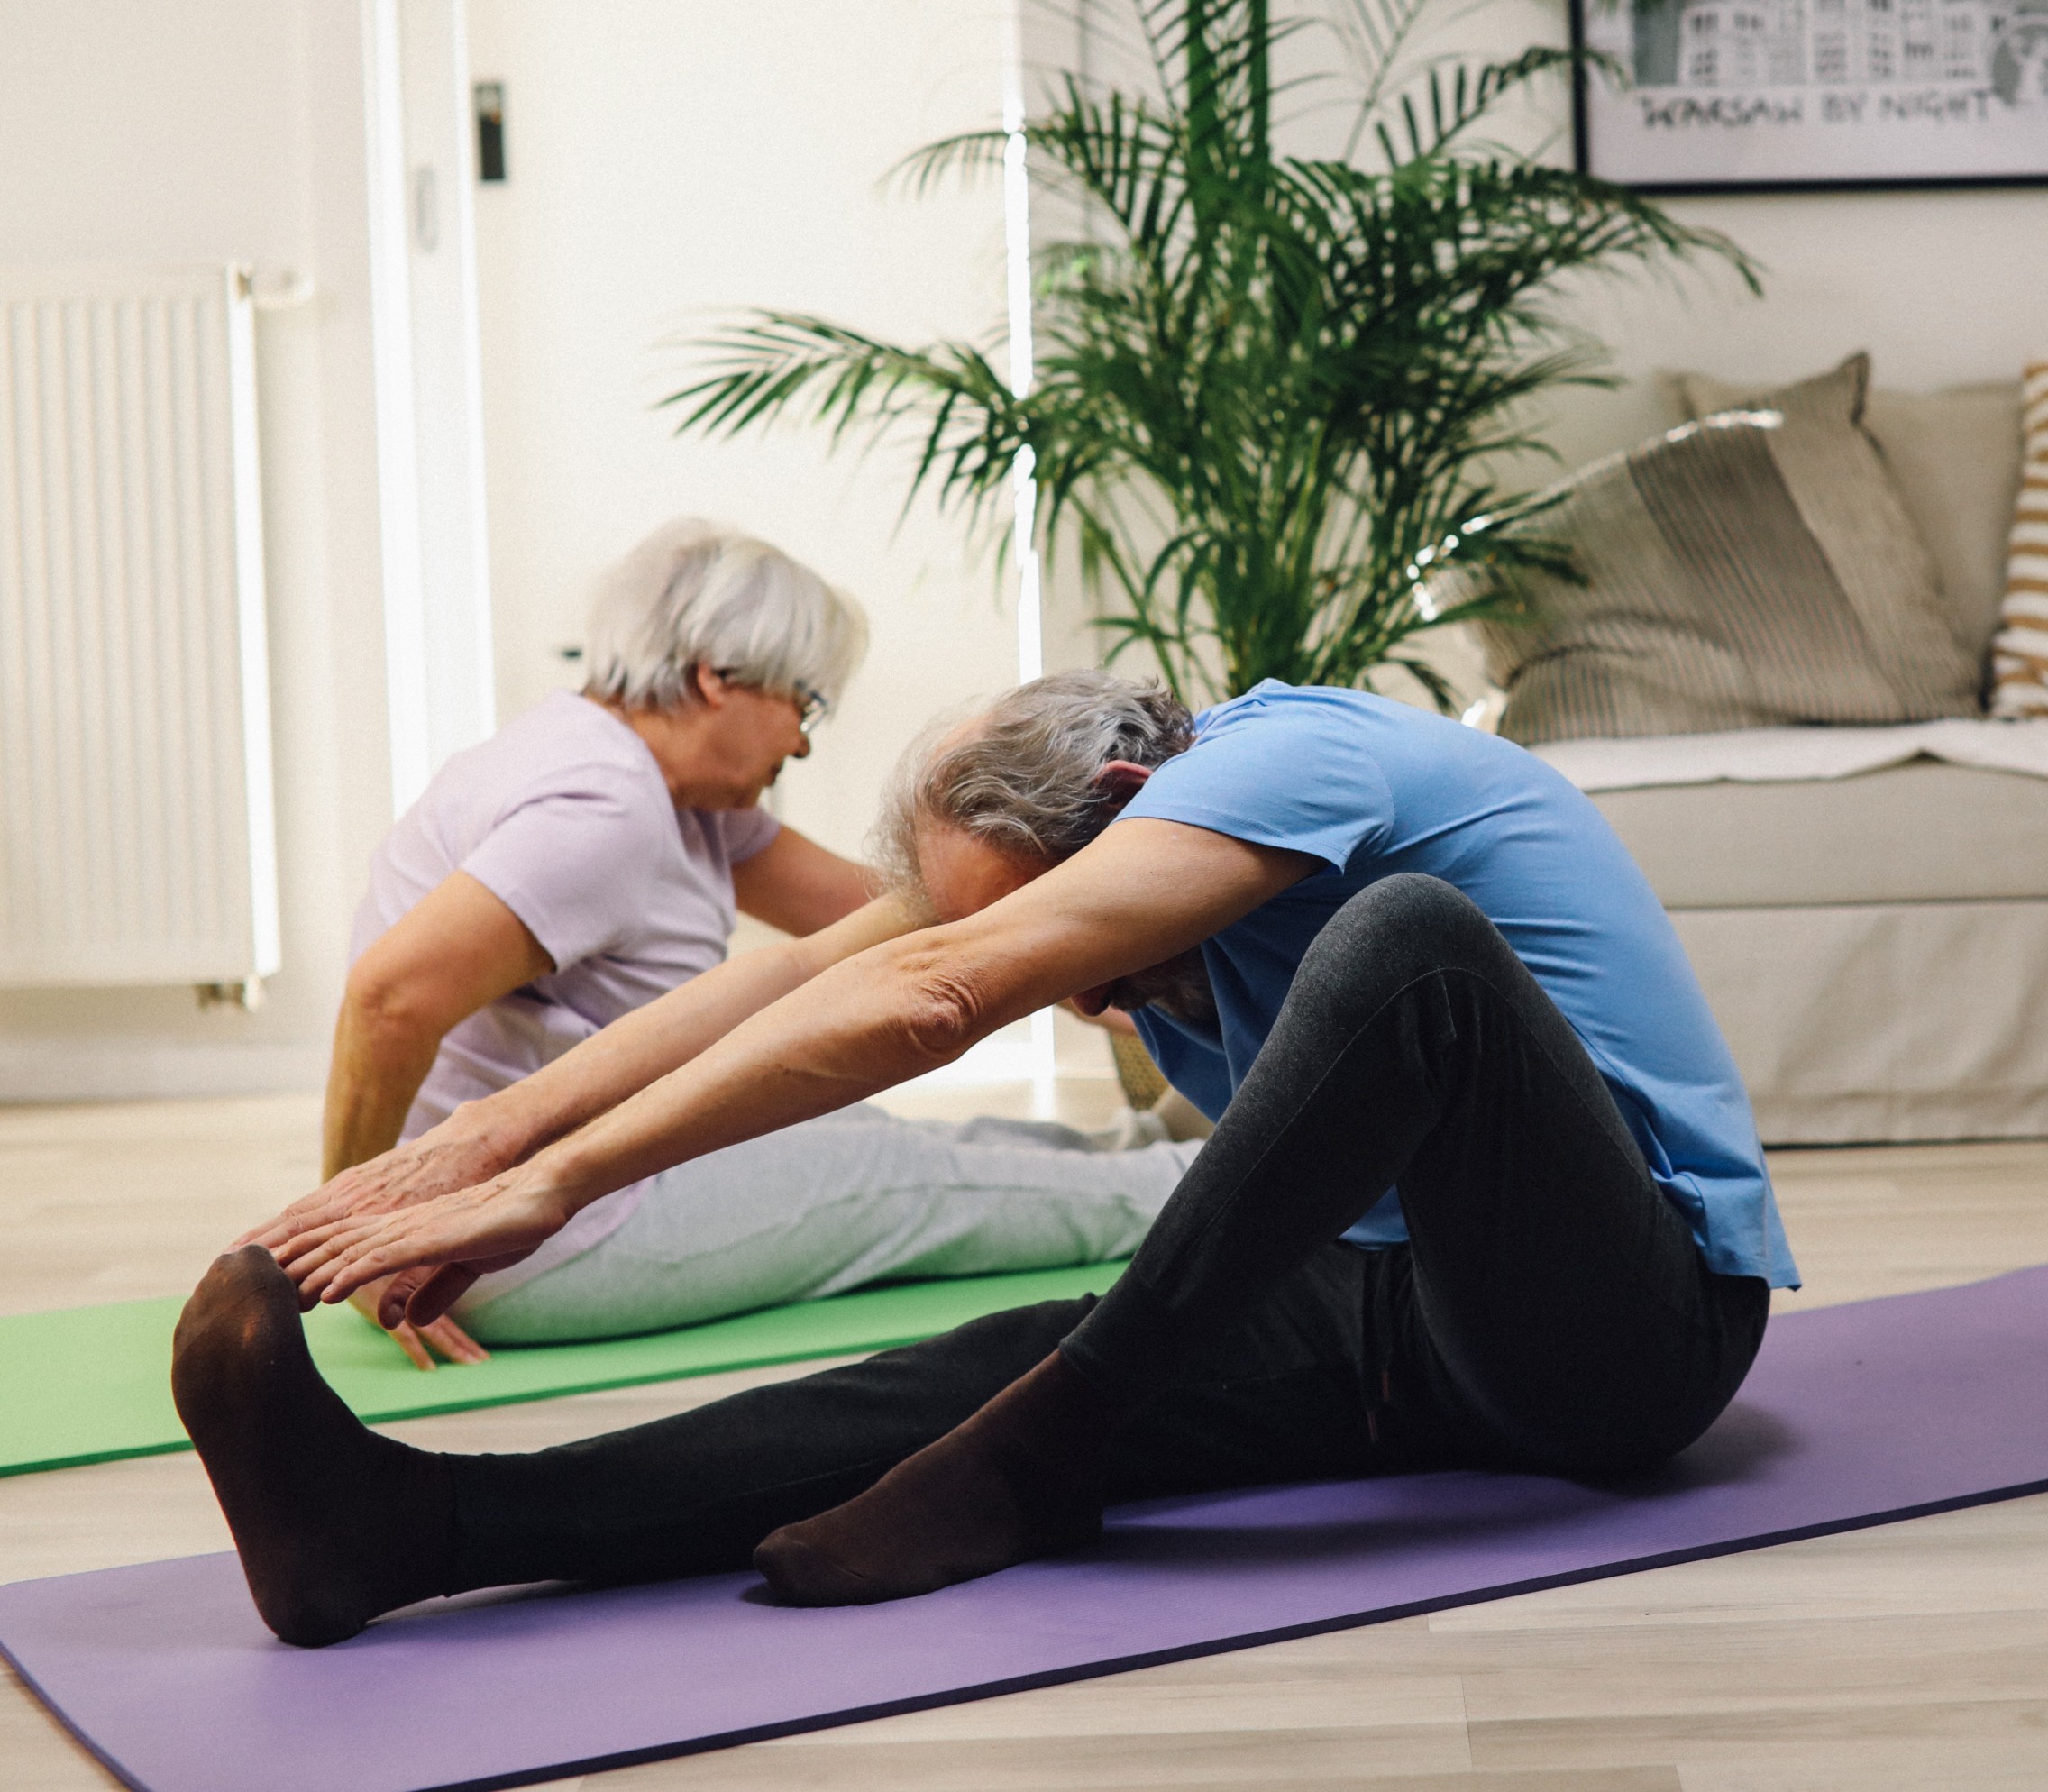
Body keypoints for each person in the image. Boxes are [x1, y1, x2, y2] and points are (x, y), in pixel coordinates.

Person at [174, 672, 1794, 1649]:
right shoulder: (1114, 826)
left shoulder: (1290, 763)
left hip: (1630, 1337)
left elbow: (940, 992)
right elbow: (790, 978)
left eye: (1053, 932)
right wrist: (490, 1136)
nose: (1069, 990)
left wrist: (564, 1192)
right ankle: (409, 1532)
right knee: (956, 1371)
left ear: (1130, 799)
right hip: (1403, 1318)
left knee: (1412, 947)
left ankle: (1040, 1458)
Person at [328, 520, 1197, 1370]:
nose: (803, 741)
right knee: (896, 1177)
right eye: (801, 703)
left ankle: (1152, 1138)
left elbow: (907, 914)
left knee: (874, 1130)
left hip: (585, 1179)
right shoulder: (600, 809)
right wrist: (362, 1236)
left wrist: (1102, 960)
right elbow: (389, 998)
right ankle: (1222, 1180)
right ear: (717, 678)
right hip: (526, 1242)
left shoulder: (659, 787)